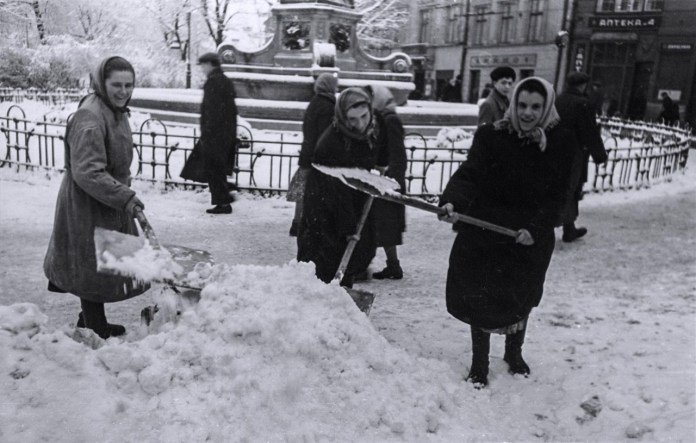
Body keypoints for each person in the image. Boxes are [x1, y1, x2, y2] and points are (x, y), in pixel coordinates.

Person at [439, 77, 574, 388]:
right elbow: (469, 173)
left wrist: (536, 229)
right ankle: (479, 364)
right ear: (513, 103)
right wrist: (451, 200)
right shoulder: (492, 136)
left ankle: (514, 352)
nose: (527, 113)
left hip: (527, 236)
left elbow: (559, 195)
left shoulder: (560, 142)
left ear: (546, 107)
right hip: (486, 229)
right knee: (479, 295)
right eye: (522, 105)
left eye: (535, 107)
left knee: (520, 296)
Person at [43, 56, 149, 339]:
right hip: (88, 202)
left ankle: (89, 316)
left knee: (99, 261)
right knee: (91, 263)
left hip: (105, 198)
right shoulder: (91, 117)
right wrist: (125, 197)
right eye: (117, 84)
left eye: (129, 85)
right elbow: (88, 171)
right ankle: (93, 324)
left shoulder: (113, 109)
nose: (123, 91)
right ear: (102, 82)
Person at [297, 87, 377, 288]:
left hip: (348, 212)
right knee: (325, 273)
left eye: (364, 116)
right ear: (342, 116)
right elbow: (335, 194)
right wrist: (349, 228)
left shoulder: (361, 135)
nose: (360, 124)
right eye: (352, 119)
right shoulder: (331, 145)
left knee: (344, 270)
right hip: (326, 219)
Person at [555, 72, 608, 243]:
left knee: (558, 188)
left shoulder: (558, 100)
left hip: (555, 152)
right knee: (571, 189)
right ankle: (564, 228)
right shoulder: (583, 104)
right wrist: (600, 155)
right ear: (583, 85)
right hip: (574, 155)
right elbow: (590, 132)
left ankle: (569, 228)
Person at [287, 73, 338, 239]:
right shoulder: (328, 105)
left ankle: (297, 222)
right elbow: (325, 135)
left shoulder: (315, 102)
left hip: (308, 153)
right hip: (318, 157)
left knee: (303, 190)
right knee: (314, 192)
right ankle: (306, 224)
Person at [365, 84, 407, 280]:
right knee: (383, 225)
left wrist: (392, 180)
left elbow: (397, 153)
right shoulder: (385, 117)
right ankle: (392, 265)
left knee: (385, 224)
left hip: (388, 180)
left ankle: (391, 266)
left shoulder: (390, 120)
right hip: (385, 178)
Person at [198, 52, 238, 214]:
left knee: (214, 167)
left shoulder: (213, 82)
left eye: (203, 65)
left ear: (210, 64)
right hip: (225, 132)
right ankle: (225, 196)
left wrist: (207, 131)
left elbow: (212, 111)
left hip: (214, 133)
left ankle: (223, 202)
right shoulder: (225, 80)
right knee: (218, 167)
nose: (202, 69)